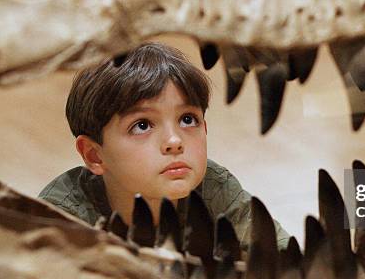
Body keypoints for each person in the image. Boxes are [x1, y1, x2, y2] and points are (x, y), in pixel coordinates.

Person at [39, 42, 289, 250]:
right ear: (94, 155)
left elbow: (285, 261)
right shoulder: (59, 220)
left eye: (187, 120)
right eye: (142, 125)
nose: (174, 141)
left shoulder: (214, 188)